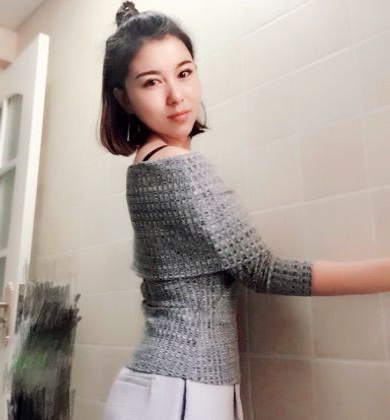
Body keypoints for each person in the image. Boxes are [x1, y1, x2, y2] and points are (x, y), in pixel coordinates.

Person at [99, 2, 390, 419]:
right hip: (183, 386)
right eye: (151, 82)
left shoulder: (144, 165)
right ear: (123, 99)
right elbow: (263, 271)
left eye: (184, 73)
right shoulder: (179, 169)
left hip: (163, 383)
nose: (176, 96)